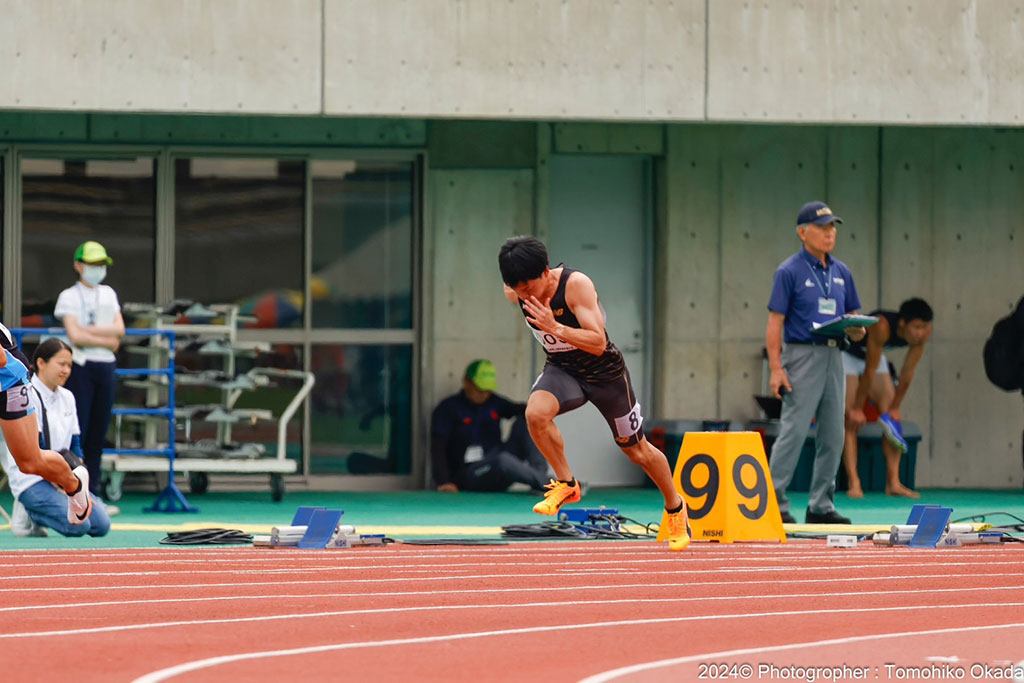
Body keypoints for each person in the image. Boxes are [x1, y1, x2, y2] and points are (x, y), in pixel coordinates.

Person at [498, 236, 691, 551]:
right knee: (535, 414)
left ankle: (675, 507)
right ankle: (567, 483)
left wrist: (554, 326)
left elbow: (598, 341)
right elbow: (515, 287)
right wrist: (524, 296)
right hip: (564, 371)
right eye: (517, 290)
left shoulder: (576, 286)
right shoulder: (516, 289)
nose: (524, 295)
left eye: (529, 288)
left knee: (637, 451)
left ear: (545, 272)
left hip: (605, 375)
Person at [766, 201, 866, 525]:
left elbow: (855, 319)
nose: (829, 233)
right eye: (822, 228)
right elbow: (775, 322)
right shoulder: (789, 271)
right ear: (802, 232)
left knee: (833, 434)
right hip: (802, 354)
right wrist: (776, 368)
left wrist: (859, 329)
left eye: (832, 227)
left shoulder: (842, 272)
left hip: (835, 354)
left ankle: (821, 505)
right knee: (794, 430)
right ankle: (773, 503)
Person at [2, 338, 111, 537]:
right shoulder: (37, 391)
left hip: (9, 379)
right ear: (42, 364)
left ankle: (74, 485)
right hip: (36, 479)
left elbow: (75, 445)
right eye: (61, 364)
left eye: (69, 365)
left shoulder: (67, 396)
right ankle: (63, 491)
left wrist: (68, 481)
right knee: (81, 525)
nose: (66, 370)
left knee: (99, 525)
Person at [841, 298, 933, 499]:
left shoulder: (924, 334)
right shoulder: (881, 325)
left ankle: (893, 483)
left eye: (924, 327)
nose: (920, 333)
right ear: (902, 324)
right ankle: (854, 483)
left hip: (874, 360)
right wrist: (858, 408)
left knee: (892, 419)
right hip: (849, 356)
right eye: (916, 327)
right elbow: (869, 371)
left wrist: (895, 407)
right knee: (850, 418)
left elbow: (908, 372)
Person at [54, 241, 125, 497]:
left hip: (106, 367)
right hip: (81, 367)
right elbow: (75, 335)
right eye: (92, 264)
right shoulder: (68, 296)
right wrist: (102, 336)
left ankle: (92, 493)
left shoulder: (108, 293)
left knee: (97, 434)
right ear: (78, 266)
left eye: (101, 265)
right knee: (78, 432)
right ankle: (72, 490)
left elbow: (120, 332)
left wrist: (88, 332)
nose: (97, 269)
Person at [431, 359, 550, 493]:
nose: (484, 394)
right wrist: (444, 481)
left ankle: (540, 478)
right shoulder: (448, 408)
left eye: (487, 390)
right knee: (502, 460)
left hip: (500, 465)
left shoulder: (493, 402)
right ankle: (549, 484)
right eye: (480, 389)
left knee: (527, 420)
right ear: (466, 382)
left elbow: (518, 409)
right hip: (471, 473)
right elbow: (438, 448)